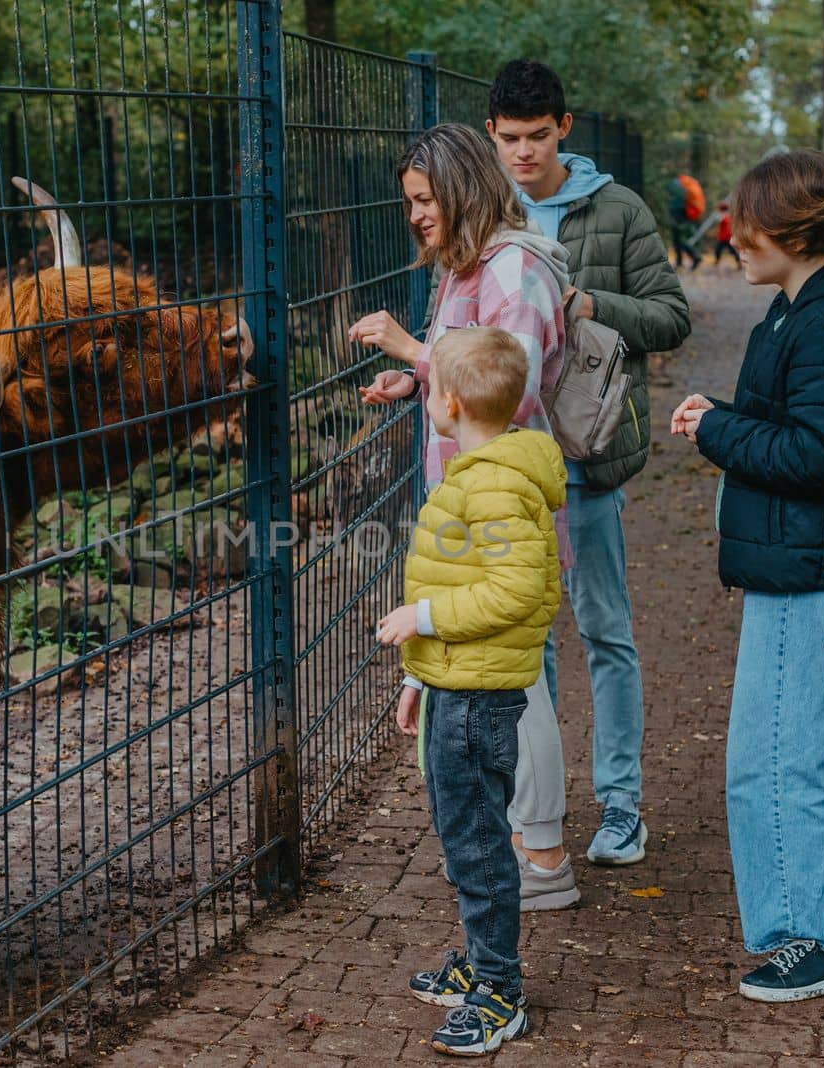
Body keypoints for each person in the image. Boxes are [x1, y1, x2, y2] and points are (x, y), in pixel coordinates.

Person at [670, 149, 824, 1002]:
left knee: (775, 758)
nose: (732, 234)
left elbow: (821, 453)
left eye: (747, 221)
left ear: (792, 231)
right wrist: (728, 419)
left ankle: (814, 936)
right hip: (808, 553)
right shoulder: (801, 311)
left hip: (808, 565)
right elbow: (810, 429)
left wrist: (717, 435)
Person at [350, 122, 575, 907]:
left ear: (462, 187)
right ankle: (506, 842)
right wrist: (412, 384)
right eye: (409, 201)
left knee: (521, 680)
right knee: (496, 677)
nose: (414, 214)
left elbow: (503, 390)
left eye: (424, 198)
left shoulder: (514, 269)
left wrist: (412, 351)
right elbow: (463, 369)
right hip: (464, 499)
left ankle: (541, 857)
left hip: (499, 504)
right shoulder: (466, 267)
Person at [483, 59, 691, 875]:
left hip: (588, 459)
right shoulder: (485, 212)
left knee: (604, 632)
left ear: (564, 127)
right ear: (492, 133)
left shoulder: (619, 209)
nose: (524, 153)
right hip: (508, 464)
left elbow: (672, 316)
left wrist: (593, 305)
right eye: (509, 139)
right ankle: (536, 814)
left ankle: (622, 807)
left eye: (538, 137)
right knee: (524, 645)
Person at [377, 326, 566, 1055]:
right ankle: (484, 966)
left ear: (447, 402)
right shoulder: (480, 471)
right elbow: (465, 577)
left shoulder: (490, 483)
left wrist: (422, 619)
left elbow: (515, 590)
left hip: (481, 694)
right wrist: (422, 674)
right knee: (466, 835)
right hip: (458, 682)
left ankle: (500, 989)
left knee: (480, 842)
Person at [666, 175, 704, 269]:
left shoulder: (676, 188)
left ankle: (695, 257)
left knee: (679, 239)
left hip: (679, 216)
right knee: (679, 240)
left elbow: (677, 203)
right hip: (684, 216)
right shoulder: (684, 186)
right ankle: (680, 262)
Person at [715, 200, 740, 267]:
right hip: (723, 237)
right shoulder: (726, 216)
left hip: (726, 238)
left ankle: (738, 262)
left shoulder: (725, 216)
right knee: (718, 250)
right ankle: (717, 261)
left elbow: (721, 220)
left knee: (732, 251)